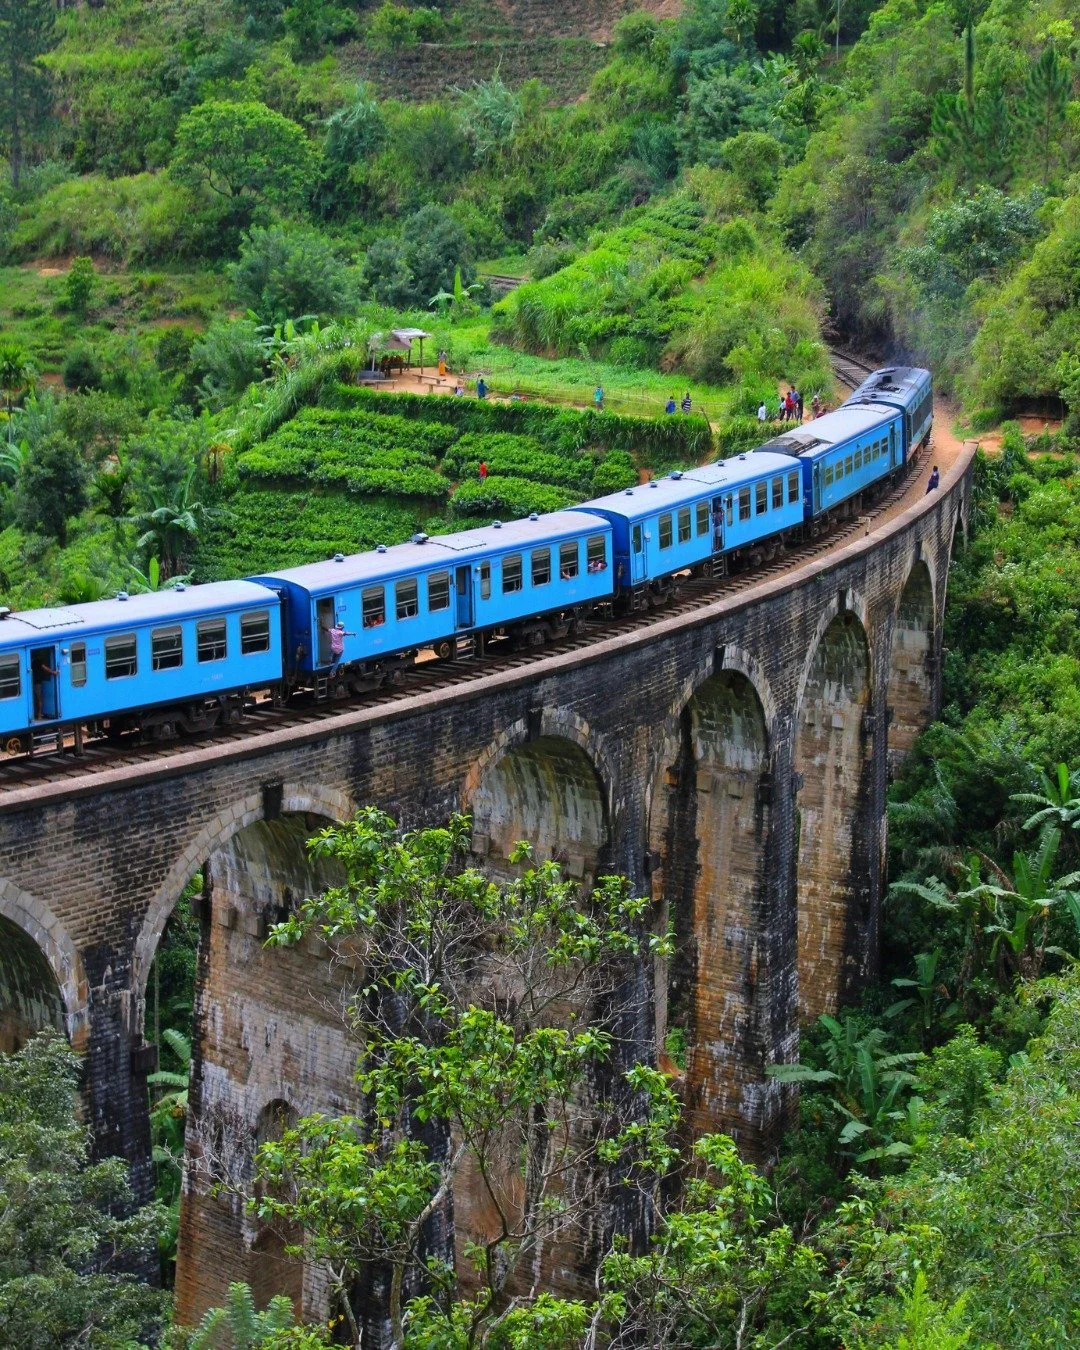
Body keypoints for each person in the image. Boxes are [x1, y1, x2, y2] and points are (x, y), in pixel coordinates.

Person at [31, 652, 58, 720]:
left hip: (31, 683)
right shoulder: (38, 661)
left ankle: (36, 714)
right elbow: (45, 668)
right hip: (37, 683)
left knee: (34, 699)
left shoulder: (28, 662)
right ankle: (39, 715)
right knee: (39, 699)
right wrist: (54, 672)